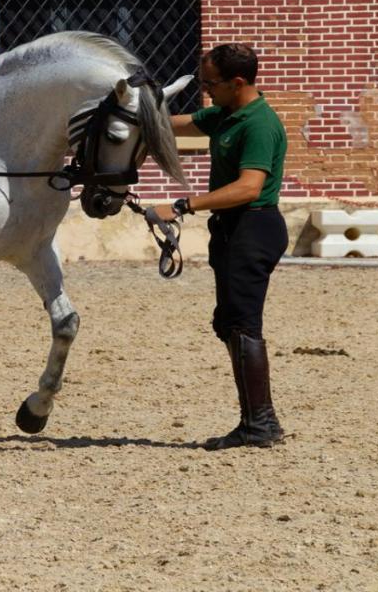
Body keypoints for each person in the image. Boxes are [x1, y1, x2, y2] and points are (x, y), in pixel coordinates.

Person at [153, 43, 287, 450]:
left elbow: (249, 187)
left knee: (244, 326)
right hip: (232, 230)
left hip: (254, 227)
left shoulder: (258, 124)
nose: (206, 91)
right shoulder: (228, 112)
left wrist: (182, 205)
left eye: (211, 84)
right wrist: (135, 118)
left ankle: (260, 424)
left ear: (238, 82)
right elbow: (183, 123)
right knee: (230, 323)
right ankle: (258, 420)